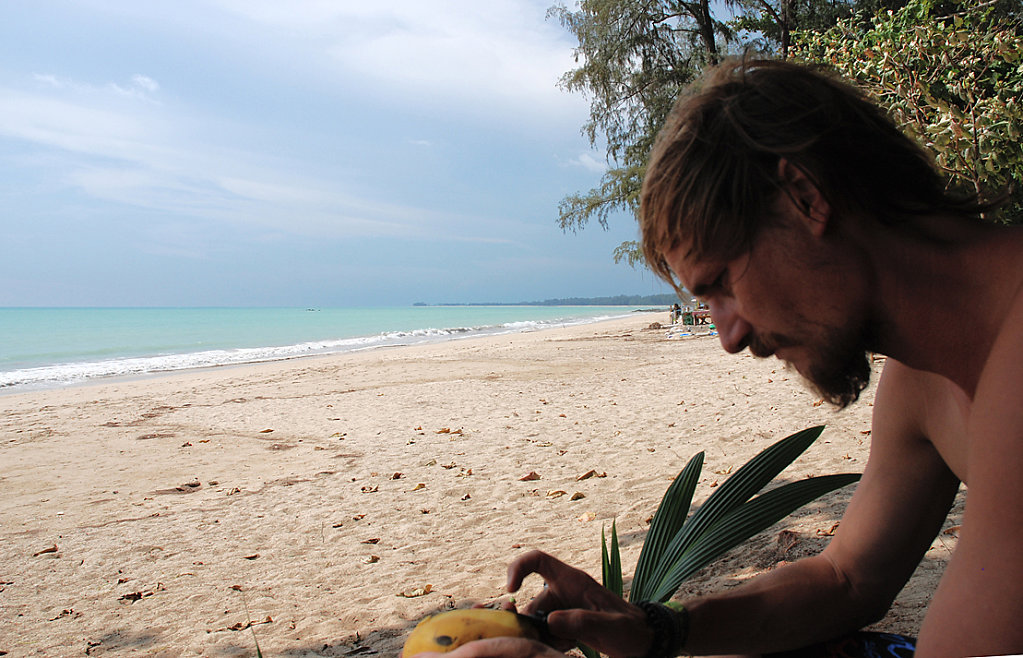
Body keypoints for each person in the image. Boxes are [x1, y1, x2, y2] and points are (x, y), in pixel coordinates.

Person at [413, 58, 1023, 657]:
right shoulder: (920, 383)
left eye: (723, 283)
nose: (728, 338)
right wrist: (654, 629)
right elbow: (846, 580)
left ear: (803, 197)